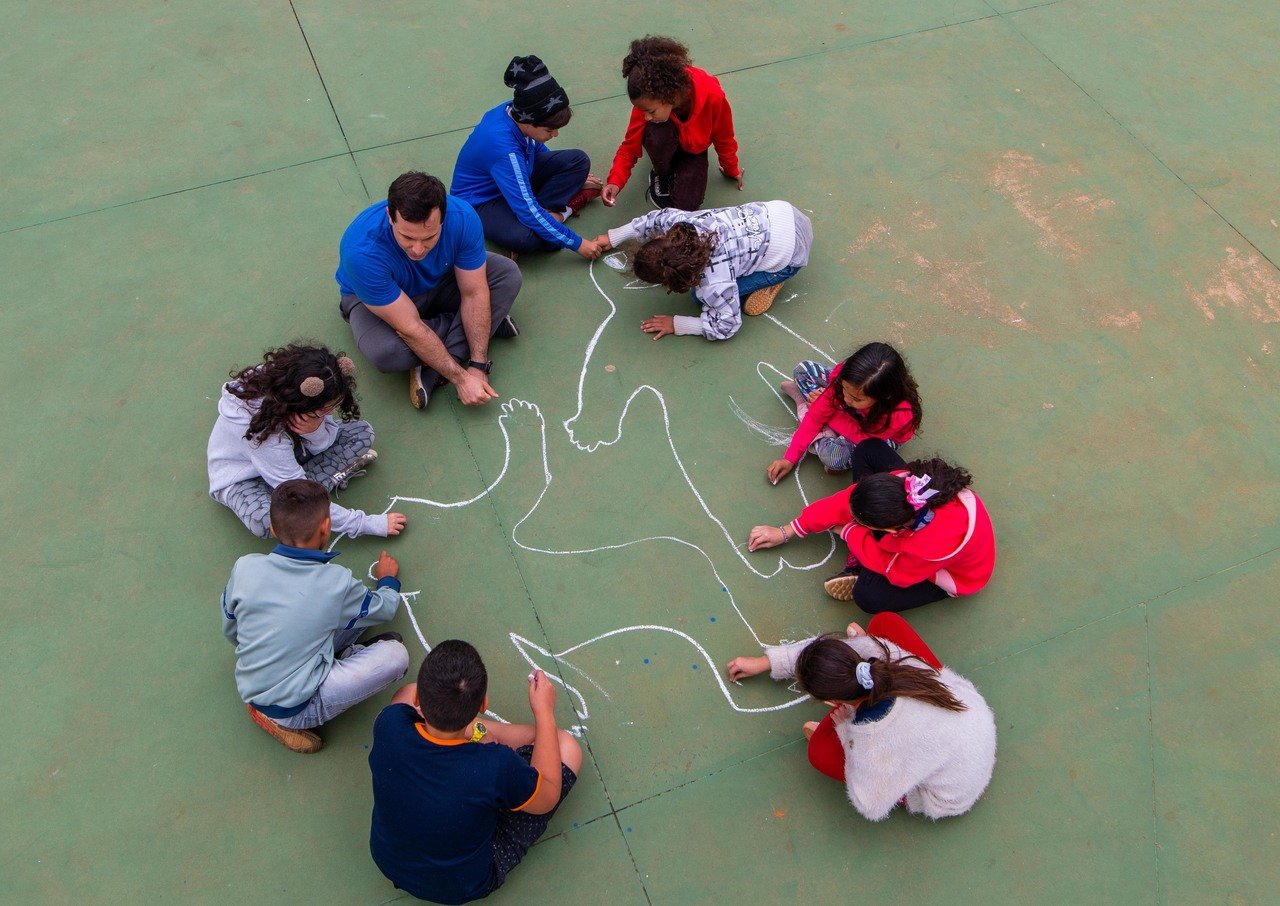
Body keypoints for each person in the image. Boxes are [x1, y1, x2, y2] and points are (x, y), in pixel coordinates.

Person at [726, 613, 996, 821]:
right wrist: (767, 662)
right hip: (974, 720)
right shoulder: (882, 657)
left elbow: (870, 805)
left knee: (820, 751)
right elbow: (838, 652)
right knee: (885, 622)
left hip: (950, 795)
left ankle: (843, 735)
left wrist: (845, 730)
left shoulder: (871, 735)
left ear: (832, 702)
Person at [369, 641, 581, 904]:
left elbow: (406, 695)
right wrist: (544, 713)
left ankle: (467, 731)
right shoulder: (495, 766)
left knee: (403, 696)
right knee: (566, 747)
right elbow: (547, 795)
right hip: (461, 885)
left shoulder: (389, 724)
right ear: (483, 704)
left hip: (387, 858)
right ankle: (475, 731)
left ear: (418, 701)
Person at [221, 479, 410, 754]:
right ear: (326, 527)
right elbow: (384, 608)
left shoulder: (244, 567)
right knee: (396, 656)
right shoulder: (335, 584)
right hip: (294, 706)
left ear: (273, 529)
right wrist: (388, 581)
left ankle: (339, 657)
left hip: (252, 680)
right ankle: (282, 722)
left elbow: (231, 630)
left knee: (325, 619)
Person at [336, 171, 523, 411]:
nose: (417, 249)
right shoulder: (361, 251)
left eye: (429, 237)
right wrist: (462, 379)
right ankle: (482, 324)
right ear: (390, 217)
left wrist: (478, 365)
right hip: (375, 303)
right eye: (407, 237)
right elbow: (410, 328)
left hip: (439, 281)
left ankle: (440, 358)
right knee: (387, 353)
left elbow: (474, 292)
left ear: (443, 219)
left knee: (507, 274)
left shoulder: (463, 217)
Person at [207, 343, 407, 539]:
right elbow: (299, 494)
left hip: (290, 457)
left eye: (334, 406)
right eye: (324, 409)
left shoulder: (298, 389)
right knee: (265, 522)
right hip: (245, 480)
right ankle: (321, 484)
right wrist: (366, 524)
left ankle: (318, 484)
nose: (329, 412)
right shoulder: (264, 435)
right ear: (302, 403)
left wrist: (314, 431)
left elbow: (326, 440)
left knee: (361, 433)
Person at [748, 454, 995, 607]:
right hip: (918, 533)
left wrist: (848, 532)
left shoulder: (929, 545)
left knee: (868, 596)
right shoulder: (906, 482)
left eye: (864, 522)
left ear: (889, 528)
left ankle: (858, 565)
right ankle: (860, 552)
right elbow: (843, 502)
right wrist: (788, 530)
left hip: (953, 572)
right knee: (869, 449)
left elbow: (896, 570)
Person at [451, 55, 604, 259]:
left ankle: (546, 221)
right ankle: (564, 211)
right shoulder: (505, 151)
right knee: (527, 238)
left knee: (578, 161)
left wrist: (556, 172)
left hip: (513, 175)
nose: (555, 135)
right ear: (528, 122)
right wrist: (577, 243)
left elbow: (534, 146)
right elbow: (527, 210)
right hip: (483, 202)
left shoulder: (515, 109)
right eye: (550, 130)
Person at [594, 200, 812, 340]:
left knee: (700, 301)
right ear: (663, 237)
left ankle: (774, 279)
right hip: (781, 211)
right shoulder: (679, 223)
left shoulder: (714, 284)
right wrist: (613, 237)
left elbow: (727, 325)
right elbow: (651, 220)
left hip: (791, 255)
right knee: (711, 297)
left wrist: (678, 324)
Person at [601, 36, 741, 211]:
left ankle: (677, 169)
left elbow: (724, 136)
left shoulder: (713, 96)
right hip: (665, 137)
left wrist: (731, 168)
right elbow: (629, 146)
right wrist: (615, 181)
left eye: (650, 111)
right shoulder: (648, 101)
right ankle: (662, 172)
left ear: (669, 96)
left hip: (694, 150)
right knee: (655, 134)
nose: (645, 116)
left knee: (688, 206)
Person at [767, 342, 922, 483]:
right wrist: (789, 459)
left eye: (856, 398)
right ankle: (821, 418)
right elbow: (816, 417)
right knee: (803, 370)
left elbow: (863, 439)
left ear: (883, 396)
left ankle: (807, 409)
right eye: (843, 388)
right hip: (849, 413)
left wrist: (828, 412)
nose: (847, 399)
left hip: (874, 437)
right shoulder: (846, 378)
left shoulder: (897, 413)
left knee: (833, 457)